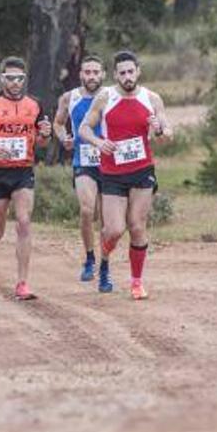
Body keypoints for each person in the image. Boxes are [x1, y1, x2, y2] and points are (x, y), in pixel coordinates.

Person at [78, 50, 172, 301]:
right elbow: (84, 128)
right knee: (115, 229)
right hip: (112, 173)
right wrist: (99, 142)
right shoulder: (104, 97)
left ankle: (136, 282)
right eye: (123, 73)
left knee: (137, 226)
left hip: (142, 170)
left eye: (131, 71)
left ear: (138, 71)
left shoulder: (152, 98)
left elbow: (167, 134)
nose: (128, 77)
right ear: (115, 75)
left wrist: (159, 128)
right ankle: (105, 259)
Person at [0, 56, 53, 300]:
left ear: (25, 79)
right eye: (10, 78)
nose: (15, 83)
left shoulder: (35, 104)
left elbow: (43, 141)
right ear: (2, 78)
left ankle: (22, 283)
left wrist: (45, 134)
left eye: (19, 78)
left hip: (23, 172)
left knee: (24, 222)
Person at [53, 54, 110, 289]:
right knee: (87, 211)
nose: (92, 76)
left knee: (106, 219)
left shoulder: (111, 96)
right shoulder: (69, 98)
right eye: (88, 72)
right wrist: (63, 137)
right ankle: (89, 258)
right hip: (83, 160)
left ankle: (105, 267)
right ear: (81, 75)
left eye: (96, 72)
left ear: (103, 75)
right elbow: (58, 123)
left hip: (109, 162)